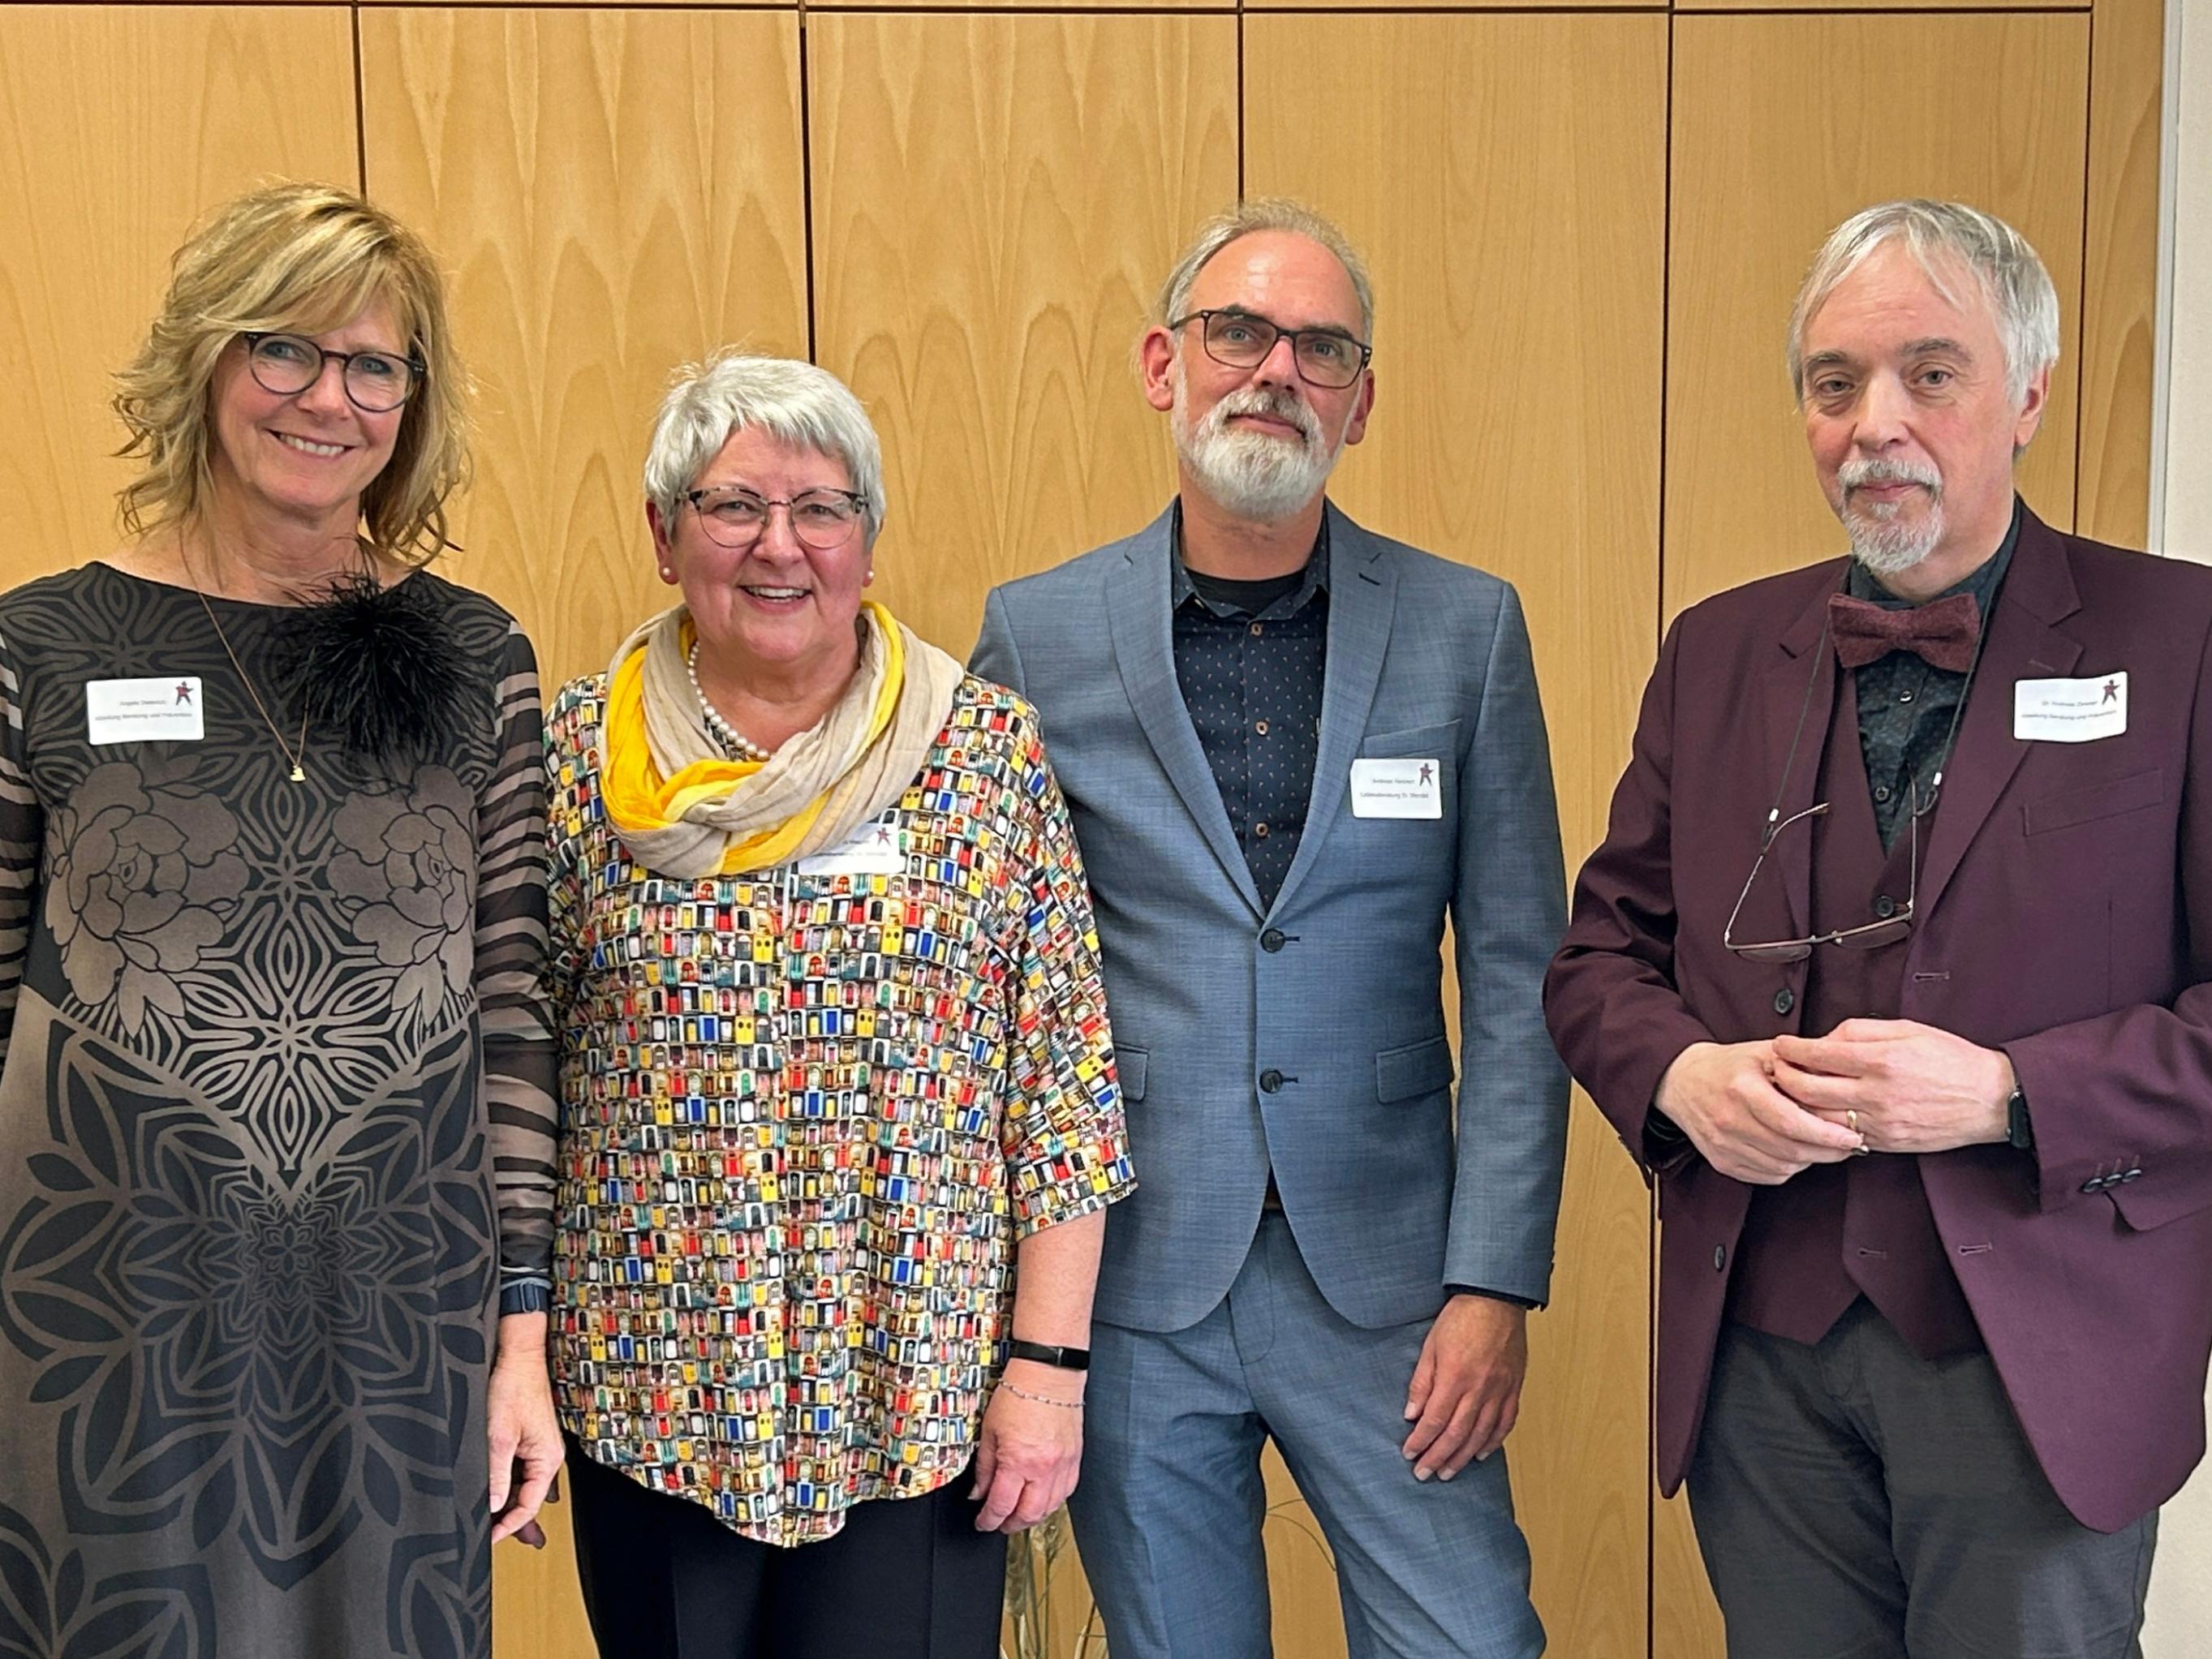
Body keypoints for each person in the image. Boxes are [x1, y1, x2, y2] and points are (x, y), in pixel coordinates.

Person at [1546, 199, 2212, 1656]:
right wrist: (1680, 1079)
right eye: (1831, 382)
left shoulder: (2182, 639)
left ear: (2026, 392)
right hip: (1758, 1361)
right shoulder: (1717, 648)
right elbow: (1602, 954)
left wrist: (2009, 1093)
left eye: (1930, 372)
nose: (1872, 425)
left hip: (2040, 1361)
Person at [972, 199, 1568, 1659]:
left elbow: (1515, 979)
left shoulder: (1463, 629)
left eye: (1320, 346)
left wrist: (1494, 1278)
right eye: (1236, 330)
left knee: (1469, 1640)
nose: (1274, 369)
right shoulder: (1036, 635)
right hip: (1133, 1279)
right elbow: (984, 985)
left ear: (1360, 400)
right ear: (1160, 364)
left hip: (1388, 1290)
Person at [0, 183, 561, 1657]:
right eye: (285, 350)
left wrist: (522, 1340)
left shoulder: (475, 653)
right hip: (99, 1314)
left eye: (376, 365)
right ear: (203, 362)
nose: (331, 398)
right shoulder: (41, 647)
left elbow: (510, 1009)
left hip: (396, 1319)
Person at [546, 351, 1135, 1659]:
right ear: (662, 535)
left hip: (917, 1390)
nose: (780, 545)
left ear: (867, 541)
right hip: (654, 1388)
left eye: (822, 507)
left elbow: (1063, 1090)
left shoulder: (981, 756)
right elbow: (515, 1085)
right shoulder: (575, 761)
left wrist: (1047, 1375)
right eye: (732, 505)